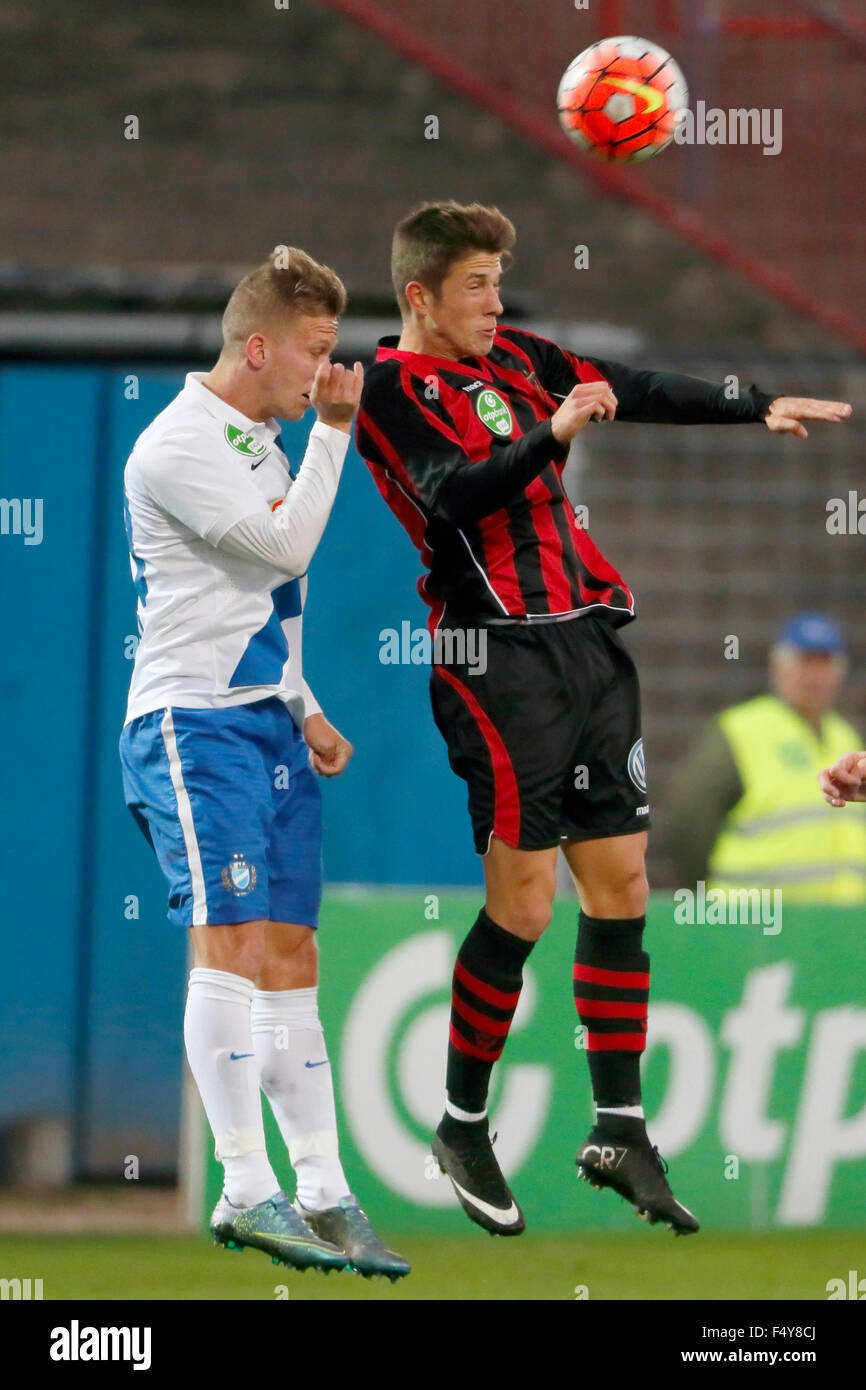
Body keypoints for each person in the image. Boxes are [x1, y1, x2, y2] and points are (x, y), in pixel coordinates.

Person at [355, 200, 853, 1238]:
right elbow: (454, 497)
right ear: (418, 297)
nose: (495, 302)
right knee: (526, 904)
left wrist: (749, 405)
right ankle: (458, 1121)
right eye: (475, 286)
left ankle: (618, 1126)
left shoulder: (522, 356)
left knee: (621, 889)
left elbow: (624, 388)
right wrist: (551, 431)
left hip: (587, 644)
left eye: (498, 281)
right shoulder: (390, 390)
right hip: (492, 654)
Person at [119, 246, 409, 1280]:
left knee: (292, 957)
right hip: (191, 725)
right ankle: (245, 1185)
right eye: (315, 354)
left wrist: (306, 701)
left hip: (263, 720)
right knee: (231, 942)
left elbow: (259, 600)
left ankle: (325, 1191)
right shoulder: (175, 446)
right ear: (257, 346)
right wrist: (334, 430)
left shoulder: (258, 434)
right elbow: (284, 550)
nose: (326, 376)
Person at [665, 614, 866, 901]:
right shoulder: (740, 730)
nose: (814, 675)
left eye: (824, 663)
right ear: (777, 667)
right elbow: (688, 821)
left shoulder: (846, 738)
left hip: (841, 928)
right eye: (803, 661)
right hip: (755, 925)